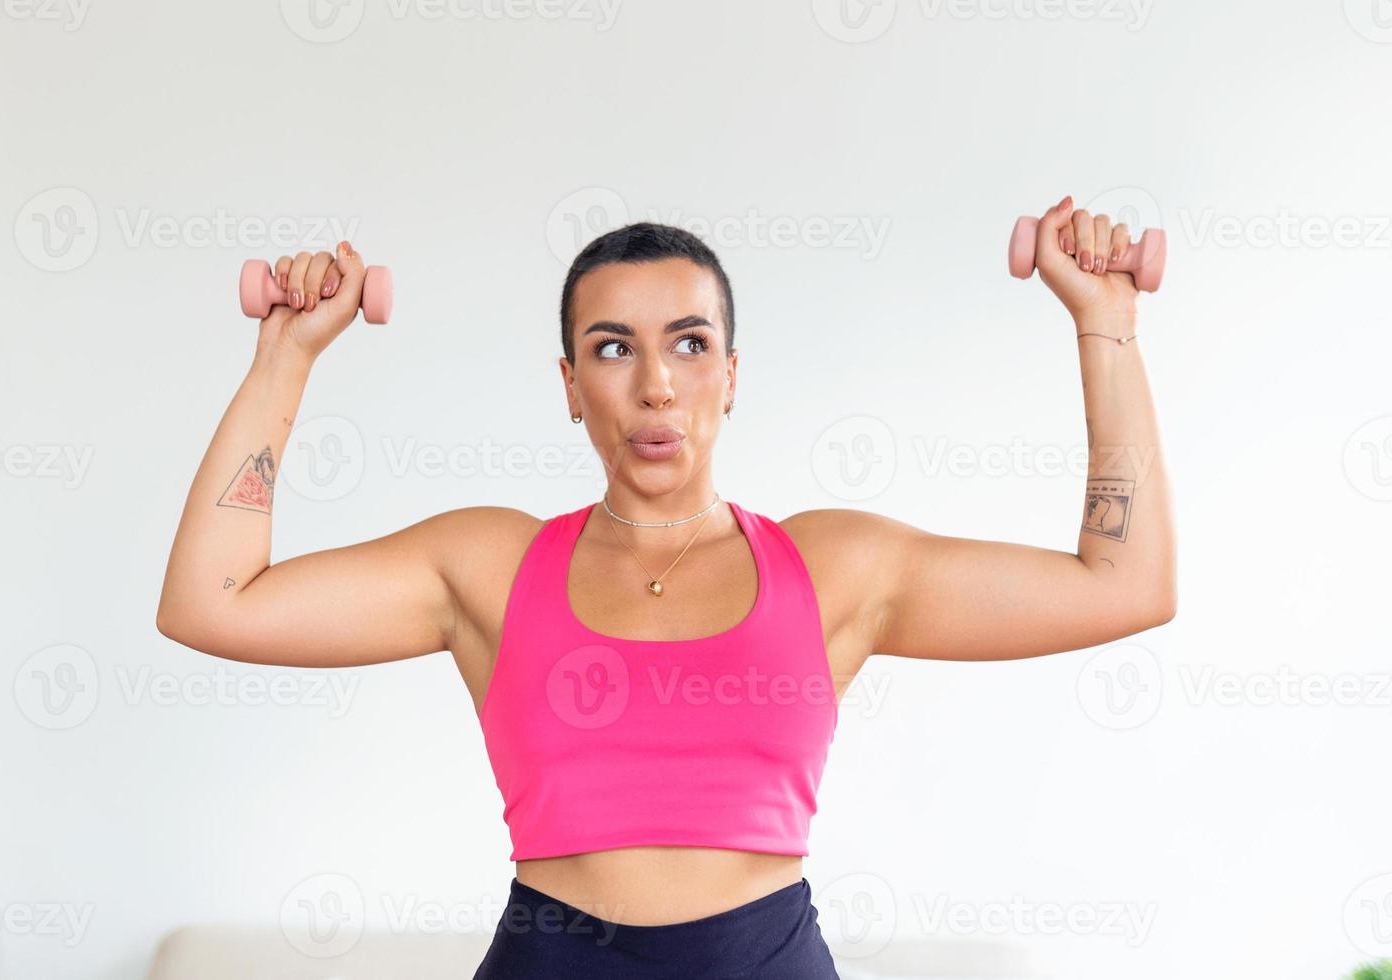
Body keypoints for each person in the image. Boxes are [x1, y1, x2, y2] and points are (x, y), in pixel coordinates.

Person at [156, 195, 1176, 977]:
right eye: (613, 347)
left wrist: (1107, 328)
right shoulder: (489, 564)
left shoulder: (834, 567)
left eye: (690, 342)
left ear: (731, 373)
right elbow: (216, 596)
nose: (656, 383)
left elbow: (1122, 582)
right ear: (569, 385)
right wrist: (284, 358)